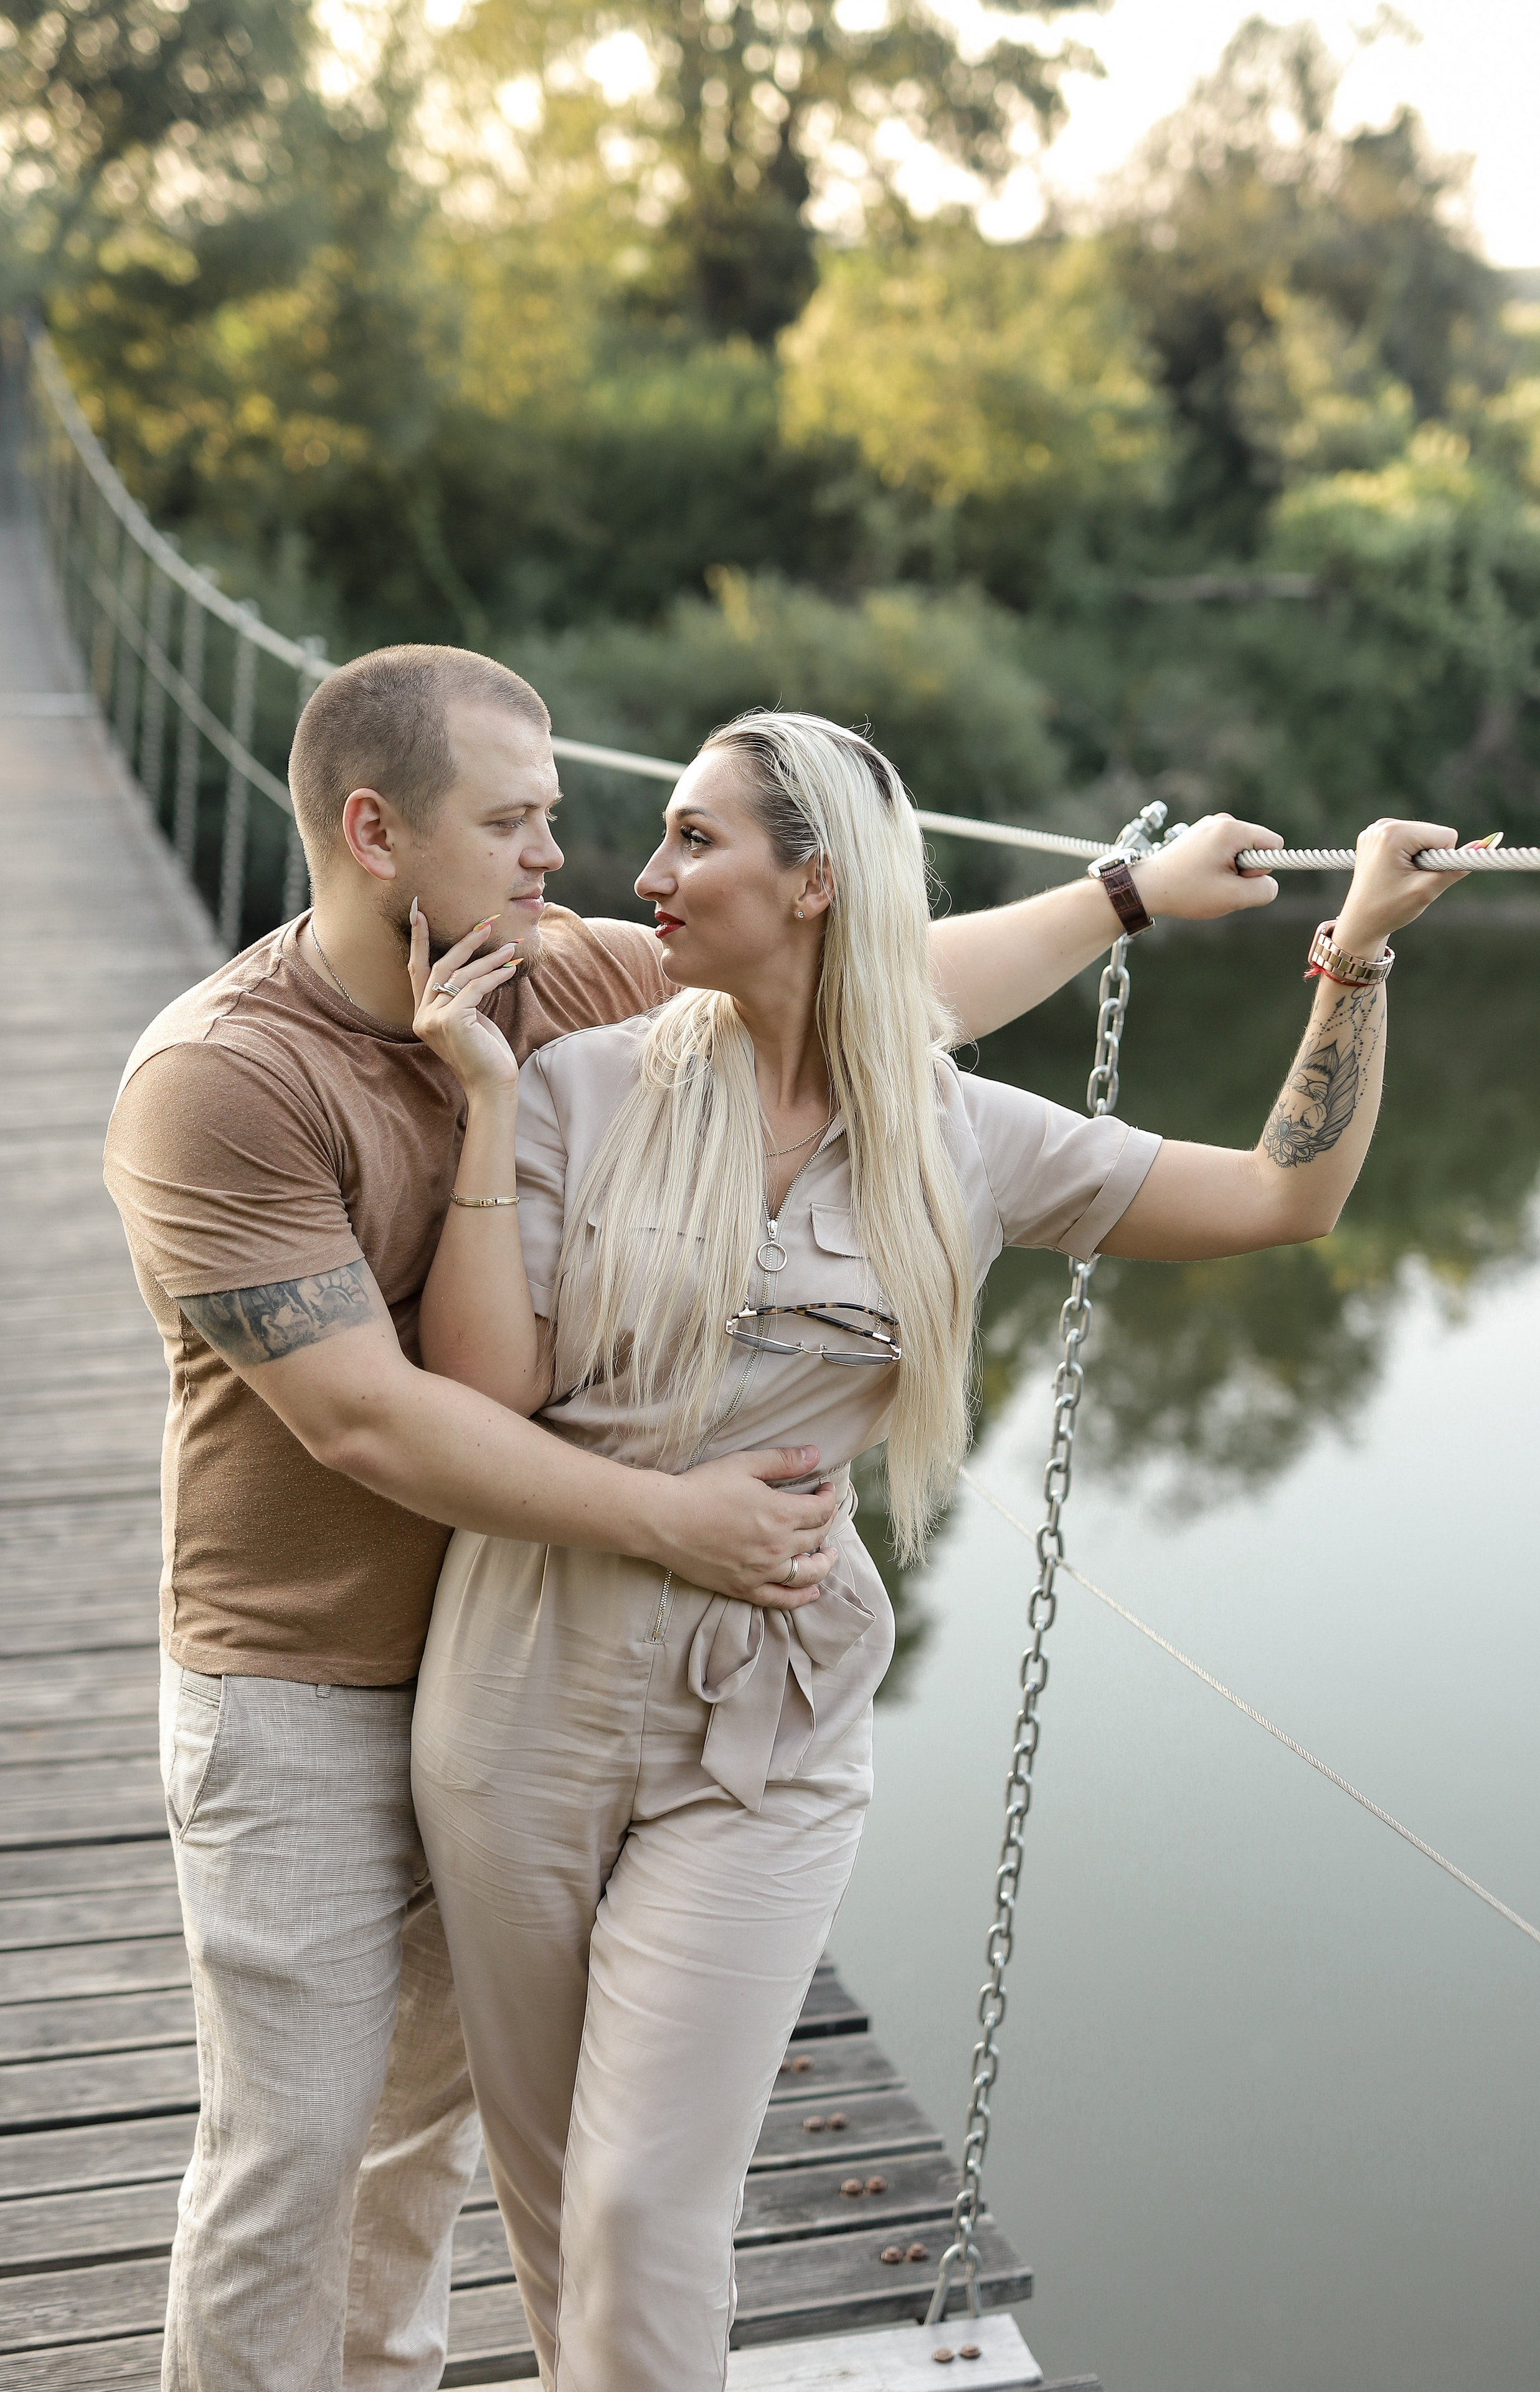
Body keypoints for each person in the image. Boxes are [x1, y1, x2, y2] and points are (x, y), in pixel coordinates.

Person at [101, 643, 1280, 2392]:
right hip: (308, 1680)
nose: (559, 859)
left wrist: (1124, 893)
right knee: (293, 2162)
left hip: (500, 1664)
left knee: (417, 2162)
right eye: (514, 821)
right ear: (372, 830)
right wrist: (676, 1523)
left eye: (563, 817)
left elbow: (870, 972)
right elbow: (369, 1418)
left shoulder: (558, 988)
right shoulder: (224, 1081)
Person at [406, 708, 1460, 2392]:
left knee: (639, 2210)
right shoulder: (571, 1086)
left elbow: (1281, 1201)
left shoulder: (967, 1137)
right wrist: (473, 1110)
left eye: (695, 840)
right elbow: (484, 1392)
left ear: (815, 880)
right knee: (552, 2210)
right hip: (520, 1692)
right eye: (659, 839)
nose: (644, 872)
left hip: (765, 1729)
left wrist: (1357, 956)